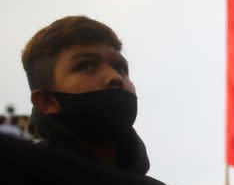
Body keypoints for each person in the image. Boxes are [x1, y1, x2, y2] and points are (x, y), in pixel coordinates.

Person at [21, 15, 149, 174]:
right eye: (86, 66)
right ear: (47, 102)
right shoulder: (15, 181)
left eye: (121, 68)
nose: (115, 77)